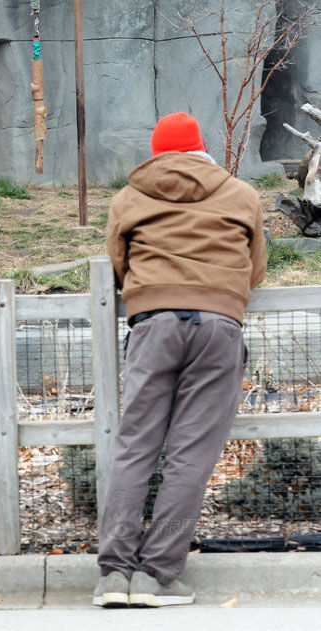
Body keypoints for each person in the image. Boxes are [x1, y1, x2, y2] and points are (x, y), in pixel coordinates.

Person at [95, 111, 267, 607]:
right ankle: (157, 578)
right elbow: (255, 270)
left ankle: (114, 576)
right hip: (218, 328)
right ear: (201, 148)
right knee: (189, 453)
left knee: (136, 447)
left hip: (152, 326)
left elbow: (118, 263)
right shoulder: (241, 194)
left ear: (157, 153)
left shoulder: (129, 197)